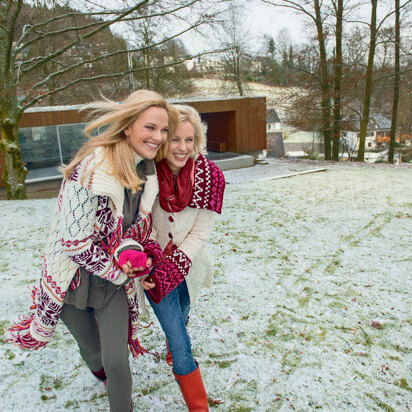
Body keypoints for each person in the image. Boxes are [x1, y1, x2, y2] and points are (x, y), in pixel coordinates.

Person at [8, 90, 179, 412]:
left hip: (112, 286)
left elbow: (136, 232)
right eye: (151, 127)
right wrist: (119, 270)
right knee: (93, 352)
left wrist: (137, 256)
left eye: (164, 129)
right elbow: (73, 242)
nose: (159, 137)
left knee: (117, 360)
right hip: (71, 283)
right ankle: (97, 373)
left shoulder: (147, 173)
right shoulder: (90, 169)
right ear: (127, 126)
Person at [140, 104, 225, 411]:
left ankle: (175, 341)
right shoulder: (146, 174)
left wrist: (176, 265)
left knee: (184, 311)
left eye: (189, 140)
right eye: (175, 139)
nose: (182, 148)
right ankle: (198, 406)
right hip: (151, 270)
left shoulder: (211, 178)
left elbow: (201, 233)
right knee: (178, 334)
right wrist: (151, 260)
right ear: (163, 140)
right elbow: (139, 223)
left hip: (188, 266)